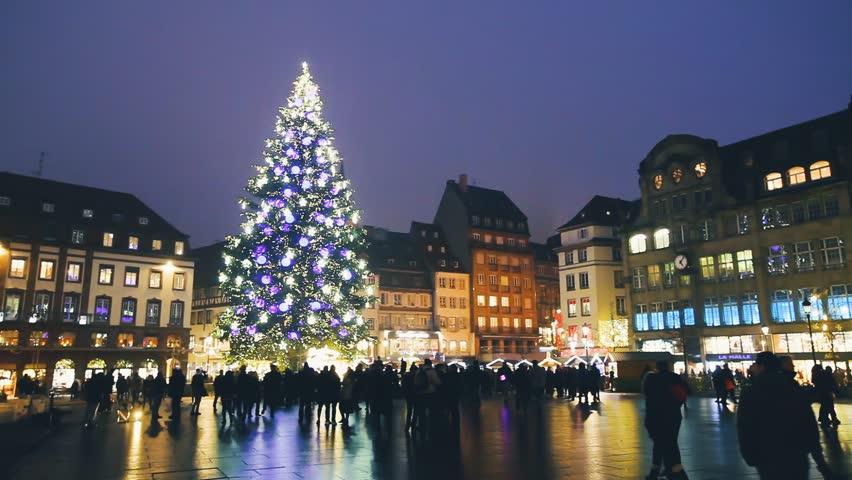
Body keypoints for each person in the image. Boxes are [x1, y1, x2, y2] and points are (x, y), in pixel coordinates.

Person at [737, 352, 829, 479]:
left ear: (762, 367)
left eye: (756, 365)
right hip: (797, 453)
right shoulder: (792, 387)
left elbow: (745, 427)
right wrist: (818, 457)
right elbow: (808, 422)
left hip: (767, 455)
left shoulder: (751, 392)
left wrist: (750, 454)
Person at [643, 361, 690, 480]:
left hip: (655, 417)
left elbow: (647, 394)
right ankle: (672, 470)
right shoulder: (674, 378)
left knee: (660, 443)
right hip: (673, 416)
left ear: (657, 368)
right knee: (670, 442)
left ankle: (668, 471)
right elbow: (687, 391)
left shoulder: (650, 379)